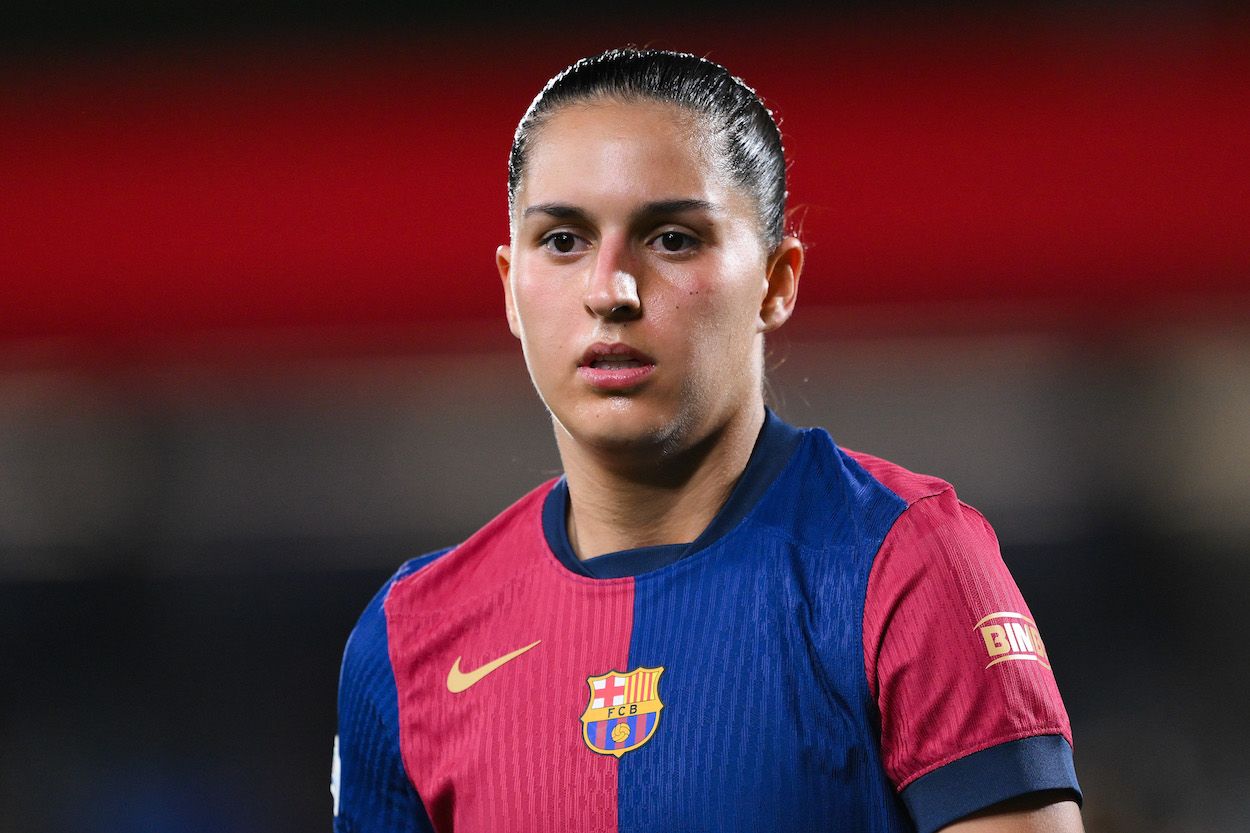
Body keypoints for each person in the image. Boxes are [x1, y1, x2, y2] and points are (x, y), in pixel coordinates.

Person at [331, 47, 1084, 833]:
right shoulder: (408, 638)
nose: (610, 290)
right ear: (509, 287)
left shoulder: (908, 563)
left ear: (777, 279)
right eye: (563, 241)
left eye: (672, 239)